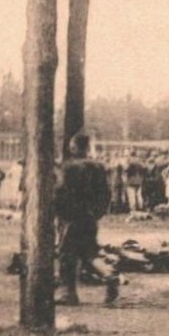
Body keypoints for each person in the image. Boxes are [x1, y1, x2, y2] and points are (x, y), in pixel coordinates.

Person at [56, 131, 119, 307]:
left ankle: (69, 294)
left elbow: (62, 193)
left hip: (73, 218)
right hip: (90, 218)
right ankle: (109, 275)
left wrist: (60, 213)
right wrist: (97, 212)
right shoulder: (98, 167)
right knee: (89, 254)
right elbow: (106, 193)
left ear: (75, 147)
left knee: (66, 254)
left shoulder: (69, 168)